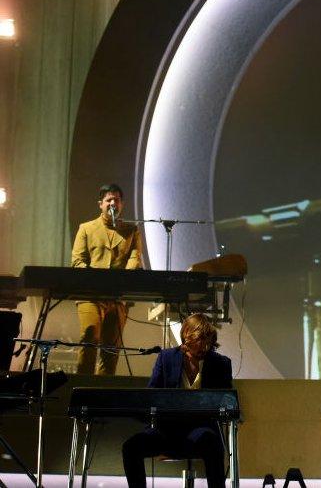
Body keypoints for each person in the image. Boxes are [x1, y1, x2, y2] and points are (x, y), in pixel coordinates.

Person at [122, 313, 233, 488]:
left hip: (201, 430)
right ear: (187, 337)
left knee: (211, 441)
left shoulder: (221, 363)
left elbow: (228, 402)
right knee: (130, 447)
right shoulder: (166, 357)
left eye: (208, 340)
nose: (205, 346)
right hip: (166, 430)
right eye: (200, 339)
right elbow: (151, 395)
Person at [71, 183, 143, 375]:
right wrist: (94, 281)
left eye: (117, 200)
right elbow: (78, 261)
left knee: (111, 350)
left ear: (122, 204)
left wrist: (121, 282)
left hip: (117, 298)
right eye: (109, 200)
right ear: (100, 204)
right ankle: (81, 388)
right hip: (90, 296)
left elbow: (135, 259)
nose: (113, 203)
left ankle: (101, 395)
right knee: (90, 338)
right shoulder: (86, 228)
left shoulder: (131, 231)